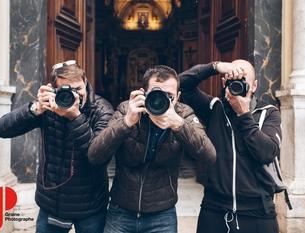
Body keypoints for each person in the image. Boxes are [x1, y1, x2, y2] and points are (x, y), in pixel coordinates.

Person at [88, 65, 216, 233]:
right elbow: (94, 156)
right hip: (121, 210)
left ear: (178, 97)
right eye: (156, 94)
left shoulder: (183, 114)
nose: (161, 101)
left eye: (169, 96)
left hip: (162, 214)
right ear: (143, 92)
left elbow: (209, 156)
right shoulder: (127, 109)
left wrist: (178, 125)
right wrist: (126, 122)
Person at [0, 60, 114, 233]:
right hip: (52, 202)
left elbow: (99, 157)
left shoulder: (102, 109)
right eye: (67, 90)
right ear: (54, 90)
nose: (75, 95)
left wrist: (75, 117)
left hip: (90, 205)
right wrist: (35, 108)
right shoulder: (48, 107)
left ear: (86, 83)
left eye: (78, 89)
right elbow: (1, 129)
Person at [179, 60, 282, 233]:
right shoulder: (214, 108)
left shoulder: (269, 113)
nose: (237, 85)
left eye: (243, 81)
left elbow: (267, 153)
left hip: (258, 213)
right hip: (214, 210)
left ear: (255, 86)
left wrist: (244, 114)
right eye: (232, 80)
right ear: (224, 82)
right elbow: (181, 86)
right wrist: (215, 67)